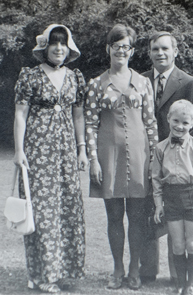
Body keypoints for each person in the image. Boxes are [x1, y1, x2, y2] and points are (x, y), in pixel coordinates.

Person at [13, 24, 88, 293]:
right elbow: (20, 115)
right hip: (37, 150)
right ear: (45, 47)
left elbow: (78, 115)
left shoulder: (76, 77)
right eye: (53, 43)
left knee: (66, 210)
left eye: (63, 43)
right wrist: (19, 151)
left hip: (66, 151)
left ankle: (61, 272)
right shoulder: (30, 76)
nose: (58, 48)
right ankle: (41, 276)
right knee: (41, 211)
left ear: (69, 48)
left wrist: (81, 149)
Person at [84, 24, 158, 291]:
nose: (121, 51)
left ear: (132, 50)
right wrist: (93, 159)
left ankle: (135, 269)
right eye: (116, 46)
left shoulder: (143, 83)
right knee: (114, 217)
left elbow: (151, 124)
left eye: (126, 46)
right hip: (108, 157)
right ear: (108, 49)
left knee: (137, 217)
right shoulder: (95, 84)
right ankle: (117, 268)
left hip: (140, 157)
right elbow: (90, 124)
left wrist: (155, 159)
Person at [140, 31, 193, 285]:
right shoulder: (139, 80)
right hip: (145, 157)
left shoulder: (188, 82)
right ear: (149, 52)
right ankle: (148, 271)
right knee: (148, 214)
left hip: (177, 161)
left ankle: (178, 277)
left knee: (177, 221)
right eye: (155, 49)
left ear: (176, 51)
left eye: (165, 48)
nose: (160, 53)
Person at [152, 100, 193, 295]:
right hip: (171, 197)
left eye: (185, 123)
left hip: (192, 196)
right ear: (168, 119)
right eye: (176, 120)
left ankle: (190, 285)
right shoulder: (160, 148)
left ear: (192, 123)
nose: (180, 126)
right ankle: (180, 282)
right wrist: (158, 205)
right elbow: (156, 179)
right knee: (177, 244)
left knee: (192, 243)